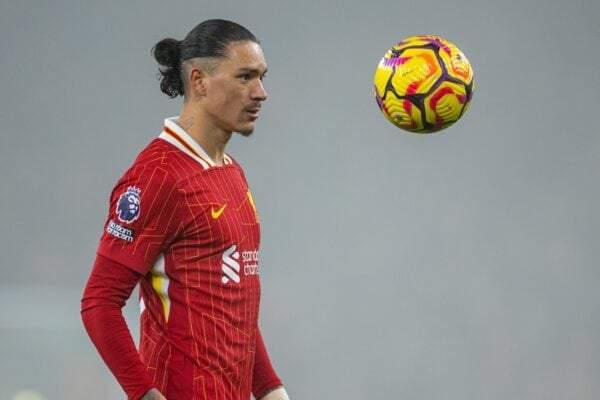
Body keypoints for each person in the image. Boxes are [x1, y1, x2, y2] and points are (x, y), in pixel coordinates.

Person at [81, 19, 289, 400]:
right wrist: (144, 393)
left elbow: (230, 301)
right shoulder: (157, 176)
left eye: (261, 77)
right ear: (199, 81)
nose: (261, 93)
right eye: (245, 77)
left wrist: (270, 388)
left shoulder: (231, 172)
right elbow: (99, 302)